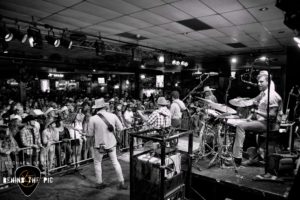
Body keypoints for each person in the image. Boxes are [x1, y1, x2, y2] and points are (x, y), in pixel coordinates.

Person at [232, 71, 282, 166]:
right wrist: (243, 101)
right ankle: (254, 158)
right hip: (262, 121)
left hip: (269, 124)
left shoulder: (272, 96)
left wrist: (255, 112)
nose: (258, 83)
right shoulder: (264, 94)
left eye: (261, 82)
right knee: (242, 122)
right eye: (258, 81)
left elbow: (271, 116)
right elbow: (255, 101)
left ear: (269, 82)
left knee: (240, 126)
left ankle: (237, 158)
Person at [87, 98, 127, 190]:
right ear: (105, 106)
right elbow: (121, 128)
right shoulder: (113, 116)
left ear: (96, 108)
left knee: (97, 163)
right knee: (115, 162)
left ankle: (99, 183)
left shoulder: (92, 119)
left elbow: (90, 134)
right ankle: (121, 182)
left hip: (99, 145)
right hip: (111, 143)